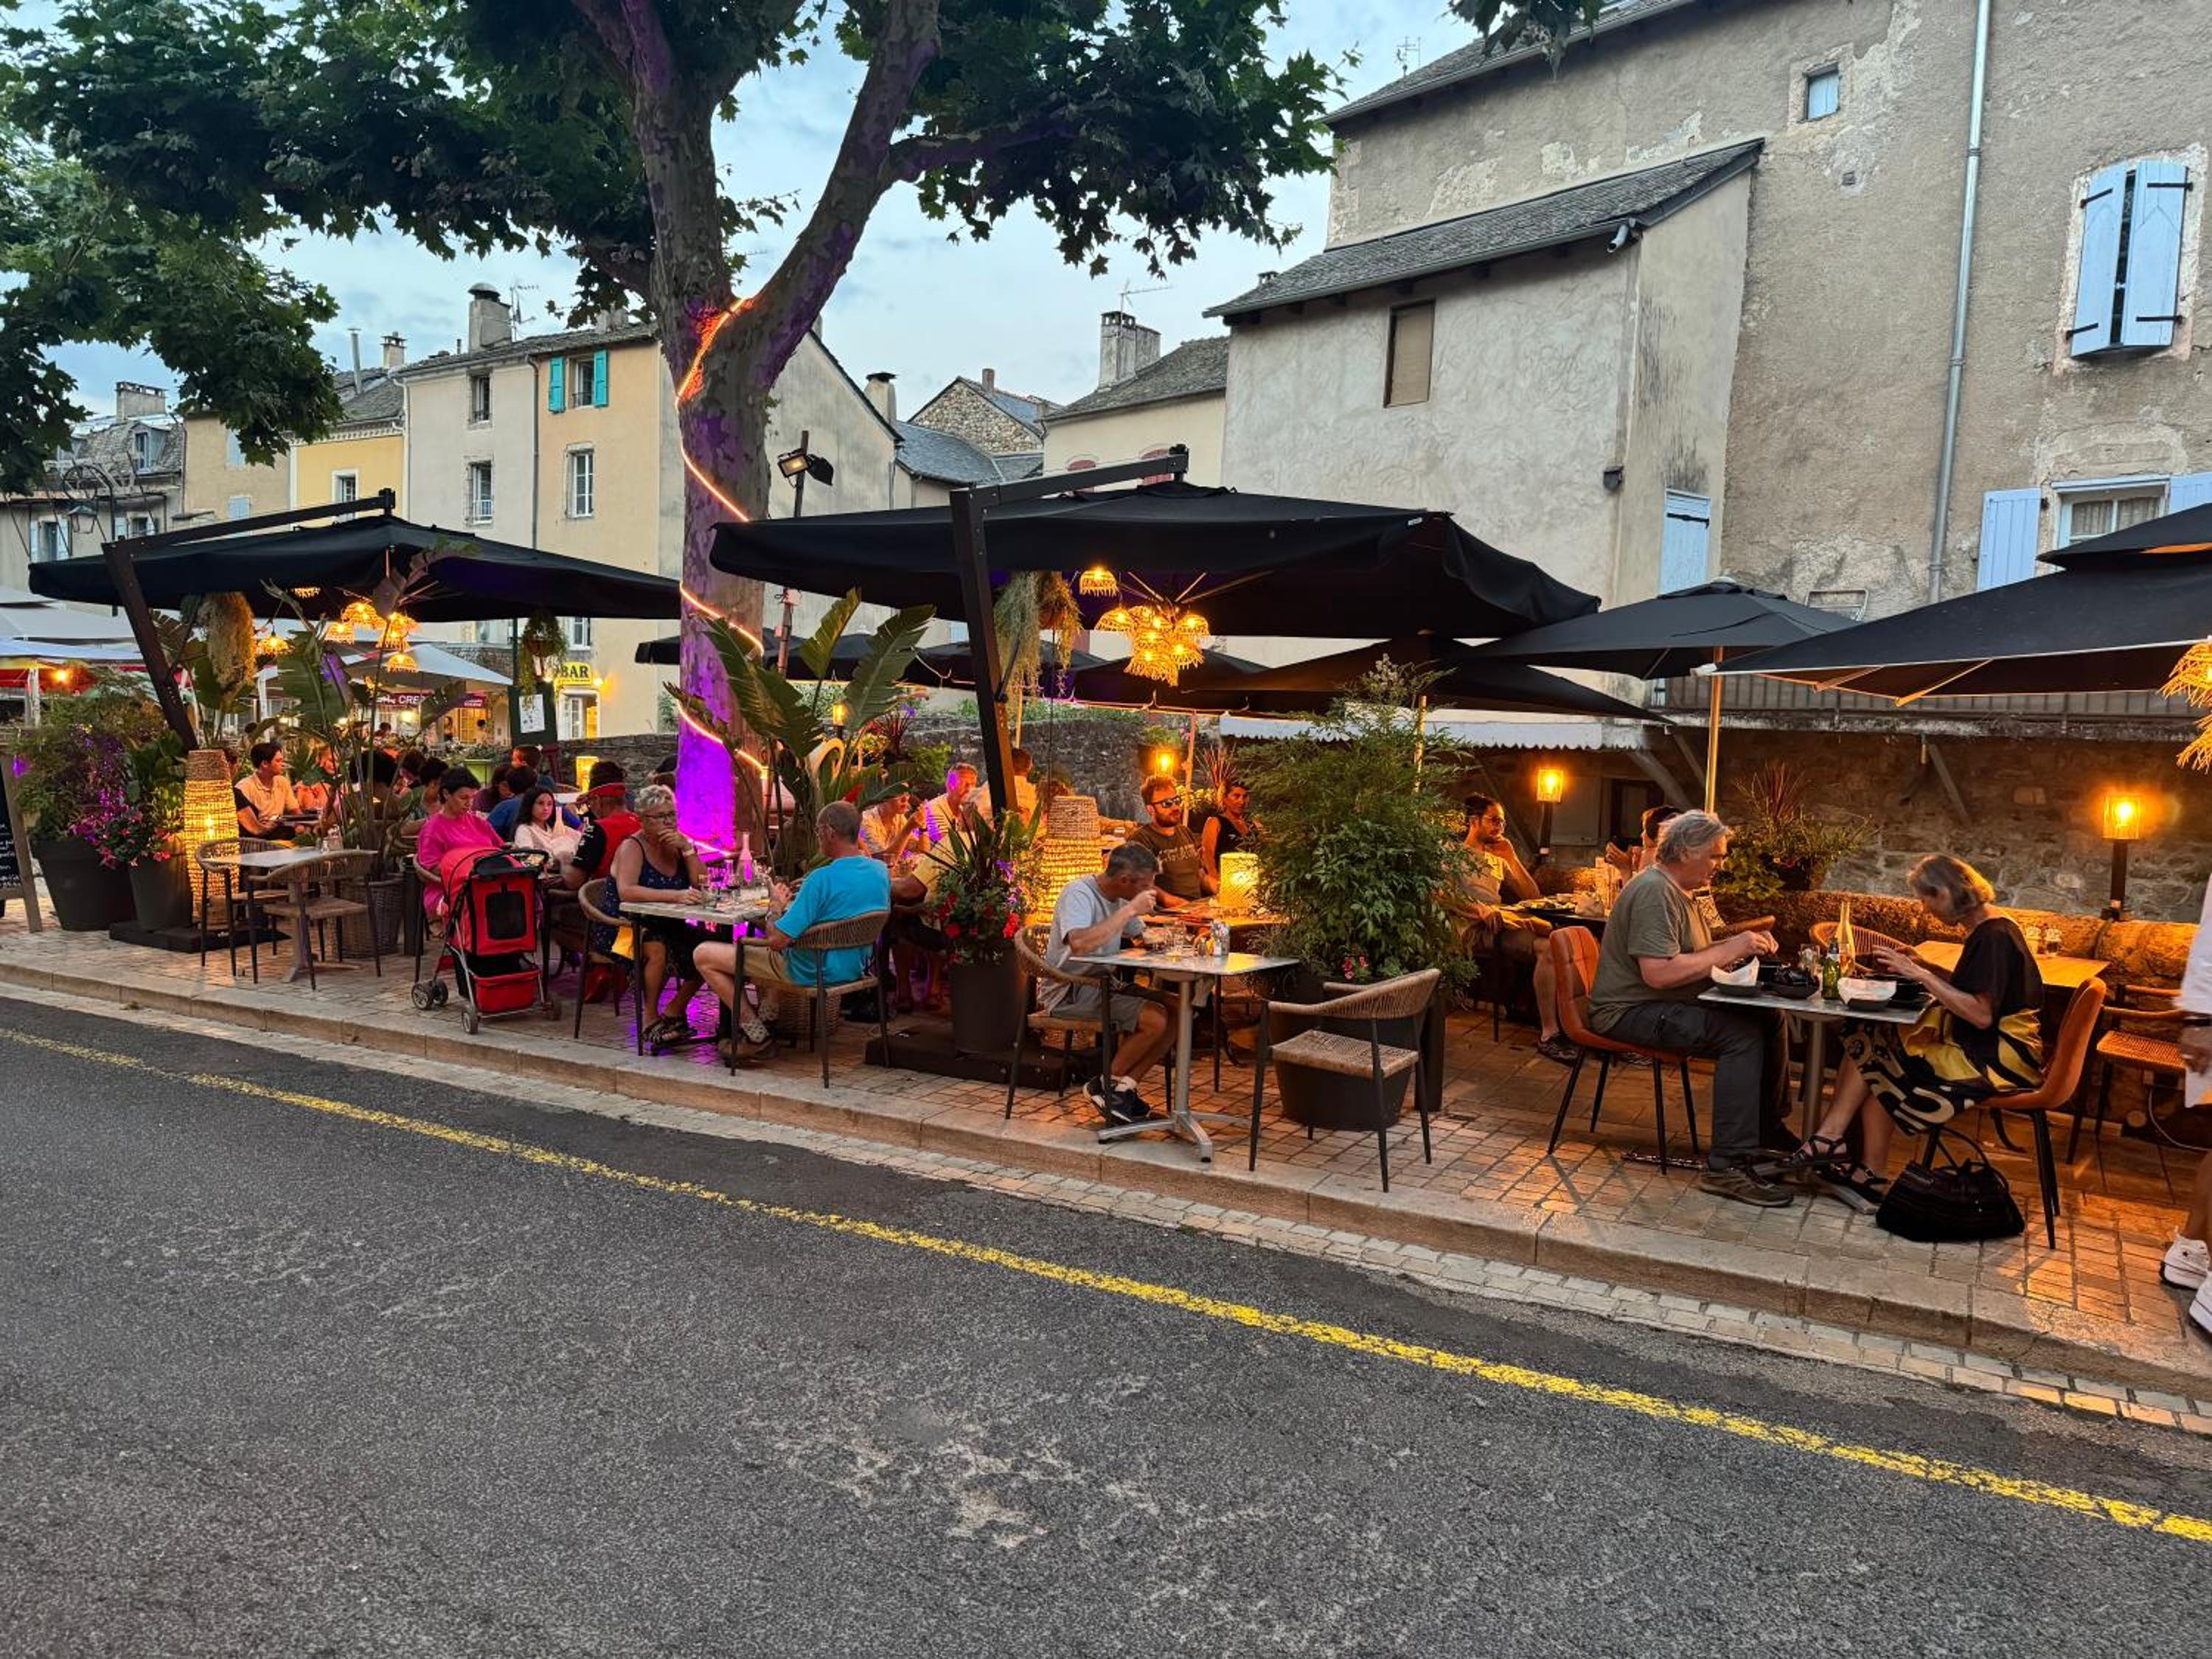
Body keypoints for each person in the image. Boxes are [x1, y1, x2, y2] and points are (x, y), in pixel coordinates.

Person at [1791, 855, 2044, 1212]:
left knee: (1881, 1054)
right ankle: (1863, 1169)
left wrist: (1919, 975)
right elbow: (1976, 988)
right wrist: (1927, 966)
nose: (1925, 909)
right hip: (1993, 1046)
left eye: (1926, 899)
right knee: (1874, 1043)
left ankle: (1833, 1142)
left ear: (1945, 893)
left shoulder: (1994, 937)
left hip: (1997, 1058)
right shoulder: (1991, 927)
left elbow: (1981, 1014)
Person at [1588, 810, 1791, 1207]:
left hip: (1660, 1003)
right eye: (1715, 856)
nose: (1721, 864)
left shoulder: (1682, 891)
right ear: (1684, 851)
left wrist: (1740, 948)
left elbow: (1694, 955)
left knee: (1769, 1016)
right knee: (1740, 1035)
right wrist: (1731, 949)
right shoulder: (1655, 892)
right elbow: (1659, 974)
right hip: (1629, 1011)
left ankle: (1766, 1132)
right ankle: (1726, 1166)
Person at [697, 801, 891, 1065]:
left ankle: (756, 1035)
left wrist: (776, 906)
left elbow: (777, 941)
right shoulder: (880, 871)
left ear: (829, 832)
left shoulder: (821, 879)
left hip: (811, 970)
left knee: (703, 954)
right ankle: (768, 1020)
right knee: (768, 947)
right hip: (854, 967)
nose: (817, 836)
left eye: (818, 831)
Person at [1041, 841, 1175, 1124]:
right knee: (1155, 1020)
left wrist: (1168, 938)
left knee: (1179, 1010)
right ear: (1125, 880)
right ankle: (1105, 1086)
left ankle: (1124, 1089)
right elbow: (1079, 943)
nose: (1151, 891)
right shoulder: (1079, 893)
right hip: (1071, 990)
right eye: (1146, 885)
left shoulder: (1122, 897)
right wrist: (1130, 910)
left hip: (1104, 984)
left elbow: (1141, 936)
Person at [1450, 794, 1571, 1064]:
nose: (1500, 827)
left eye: (1502, 822)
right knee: (1552, 944)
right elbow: (1440, 894)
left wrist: (1513, 858)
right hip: (1472, 927)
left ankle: (1570, 1025)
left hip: (1501, 923)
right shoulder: (1452, 853)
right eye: (1494, 821)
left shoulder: (1498, 857)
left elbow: (1533, 895)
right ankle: (1550, 1033)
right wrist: (1478, 909)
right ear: (1474, 821)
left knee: (1559, 943)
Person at [607, 783, 714, 1046]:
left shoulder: (677, 845)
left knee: (714, 948)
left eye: (672, 815)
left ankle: (675, 1009)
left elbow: (702, 882)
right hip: (623, 928)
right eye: (660, 816)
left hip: (667, 923)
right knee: (657, 948)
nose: (668, 821)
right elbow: (627, 891)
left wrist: (688, 849)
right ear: (642, 819)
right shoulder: (632, 847)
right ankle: (650, 1017)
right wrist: (675, 896)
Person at [414, 766, 501, 923]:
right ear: (446, 794)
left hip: (487, 884)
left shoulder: (478, 823)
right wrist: (469, 871)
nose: (469, 803)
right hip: (449, 891)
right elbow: (431, 868)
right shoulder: (432, 829)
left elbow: (501, 848)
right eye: (463, 798)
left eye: (473, 797)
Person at [1124, 775, 1213, 906]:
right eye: (1167, 804)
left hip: (1197, 908)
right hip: (1169, 913)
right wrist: (1178, 903)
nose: (1175, 807)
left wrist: (1223, 889)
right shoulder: (1141, 840)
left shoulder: (1185, 832)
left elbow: (1200, 876)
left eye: (1176, 800)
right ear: (1150, 809)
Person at [565, 762, 641, 894]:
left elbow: (574, 882)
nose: (590, 807)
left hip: (607, 898)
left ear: (597, 800)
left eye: (590, 803)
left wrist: (564, 858)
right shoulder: (642, 822)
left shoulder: (598, 829)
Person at [233, 742, 299, 835]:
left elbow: (295, 810)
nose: (282, 764)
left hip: (278, 829)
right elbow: (245, 823)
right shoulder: (244, 787)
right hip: (256, 836)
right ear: (265, 764)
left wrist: (302, 824)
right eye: (278, 761)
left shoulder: (282, 782)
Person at [511, 784, 582, 868]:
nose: (546, 808)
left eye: (550, 804)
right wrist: (551, 862)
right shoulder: (524, 829)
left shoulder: (555, 827)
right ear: (530, 805)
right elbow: (527, 859)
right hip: (544, 874)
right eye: (541, 803)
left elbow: (581, 839)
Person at [1200, 780, 1257, 882]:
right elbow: (1207, 855)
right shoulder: (1215, 823)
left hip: (1251, 881)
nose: (1241, 801)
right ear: (1224, 798)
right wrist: (1216, 880)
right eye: (1236, 796)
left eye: (1245, 797)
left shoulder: (1252, 825)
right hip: (1226, 880)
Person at [922, 764, 981, 841]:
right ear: (950, 785)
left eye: (973, 785)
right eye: (964, 784)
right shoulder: (933, 809)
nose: (969, 790)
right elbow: (948, 844)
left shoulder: (970, 807)